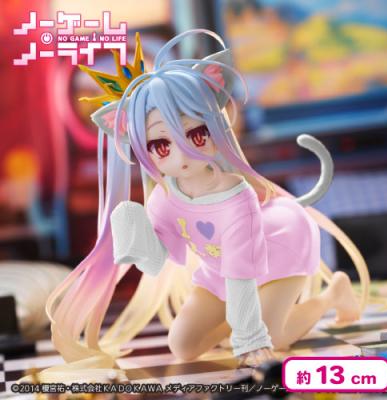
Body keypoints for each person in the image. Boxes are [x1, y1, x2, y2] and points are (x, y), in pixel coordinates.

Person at [40, 30, 369, 383]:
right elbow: (157, 262)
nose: (182, 156)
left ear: (215, 127)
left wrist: (249, 340)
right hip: (220, 270)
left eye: (197, 135)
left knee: (273, 338)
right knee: (183, 345)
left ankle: (333, 294)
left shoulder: (236, 198)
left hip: (279, 246)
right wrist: (132, 229)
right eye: (161, 145)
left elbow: (242, 275)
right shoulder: (164, 198)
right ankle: (247, 320)